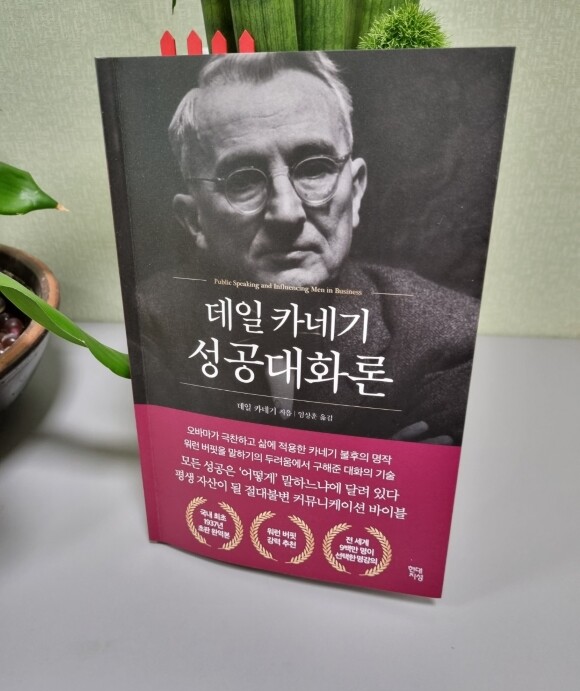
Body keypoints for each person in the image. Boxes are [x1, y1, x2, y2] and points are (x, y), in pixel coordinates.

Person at [140, 52, 479, 445]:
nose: (286, 213)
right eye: (242, 181)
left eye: (315, 168)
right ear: (194, 219)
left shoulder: (449, 336)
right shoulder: (149, 324)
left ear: (355, 192)